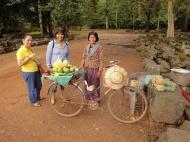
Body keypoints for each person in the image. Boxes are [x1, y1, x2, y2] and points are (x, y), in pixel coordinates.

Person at [16, 34, 42, 107]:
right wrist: (29, 57)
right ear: (23, 41)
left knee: (39, 85)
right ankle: (33, 101)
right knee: (32, 87)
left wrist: (37, 58)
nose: (30, 42)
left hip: (35, 70)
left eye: (31, 40)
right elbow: (19, 64)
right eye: (28, 40)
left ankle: (37, 97)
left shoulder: (30, 49)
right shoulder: (20, 51)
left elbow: (33, 59)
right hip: (28, 72)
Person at [80, 31, 103, 103]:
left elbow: (101, 59)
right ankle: (88, 98)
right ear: (88, 38)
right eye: (90, 37)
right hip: (87, 68)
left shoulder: (99, 47)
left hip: (95, 68)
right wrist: (82, 63)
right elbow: (83, 56)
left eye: (93, 37)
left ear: (96, 38)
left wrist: (100, 70)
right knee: (87, 83)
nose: (92, 38)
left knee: (95, 84)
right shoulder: (86, 47)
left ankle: (96, 99)